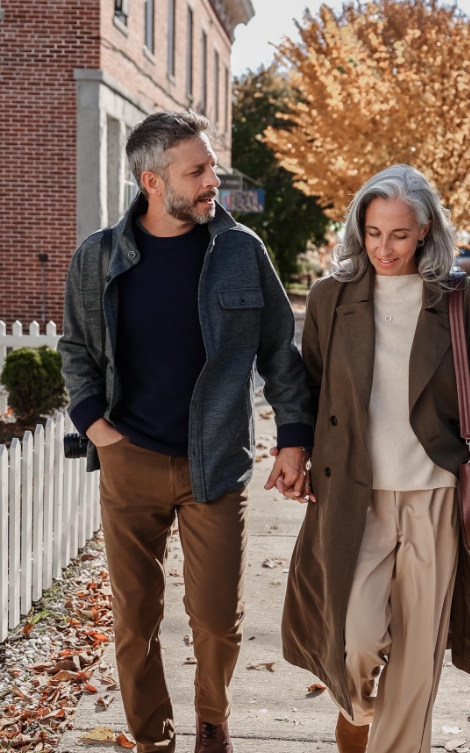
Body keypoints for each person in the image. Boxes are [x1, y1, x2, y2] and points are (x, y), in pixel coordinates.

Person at [58, 111, 315, 753]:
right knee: (135, 617)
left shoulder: (241, 251)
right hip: (131, 459)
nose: (213, 180)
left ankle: (211, 718)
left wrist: (293, 438)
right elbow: (75, 348)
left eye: (212, 167)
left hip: (216, 464)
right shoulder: (97, 257)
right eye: (196, 170)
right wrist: (95, 425)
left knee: (217, 622)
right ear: (152, 180)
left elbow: (279, 352)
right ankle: (151, 738)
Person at [279, 165, 470, 753]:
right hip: (354, 496)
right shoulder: (330, 297)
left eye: (398, 234)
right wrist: (294, 451)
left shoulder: (462, 301)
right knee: (355, 642)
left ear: (425, 233)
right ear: (358, 231)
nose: (383, 248)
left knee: (417, 658)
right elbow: (306, 387)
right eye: (372, 233)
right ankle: (358, 714)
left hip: (436, 495)